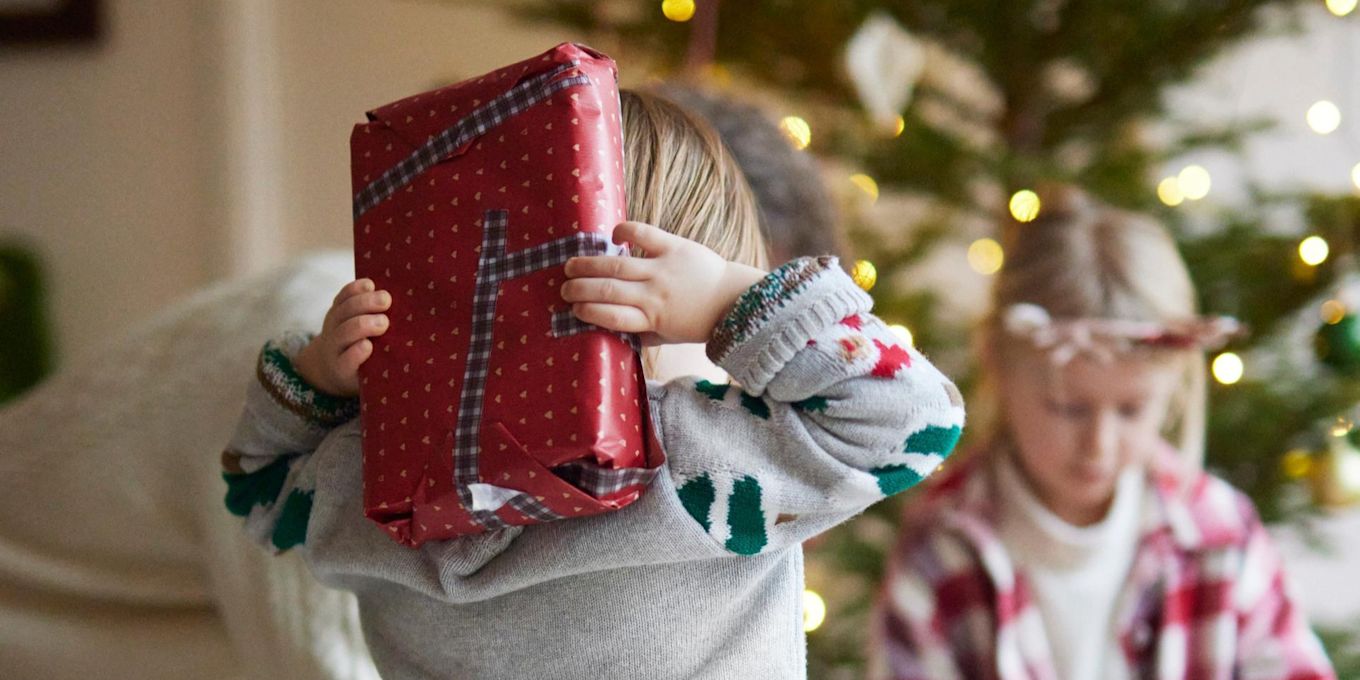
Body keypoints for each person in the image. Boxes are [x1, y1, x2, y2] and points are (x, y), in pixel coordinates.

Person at [221, 88, 964, 679]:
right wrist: (731, 303)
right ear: (657, 308)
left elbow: (256, 491)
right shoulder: (692, 461)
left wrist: (318, 379)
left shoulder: (374, 480)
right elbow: (913, 421)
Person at [870, 186, 1335, 680]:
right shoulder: (943, 548)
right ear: (999, 367)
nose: (1100, 444)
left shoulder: (1221, 536)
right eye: (1068, 409)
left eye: (1132, 410)